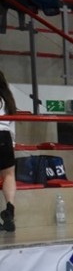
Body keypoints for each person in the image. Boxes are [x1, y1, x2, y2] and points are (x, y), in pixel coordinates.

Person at [0, 70, 17, 232]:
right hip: (5, 136)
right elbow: (12, 122)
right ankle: (10, 207)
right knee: (9, 175)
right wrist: (13, 142)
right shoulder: (7, 98)